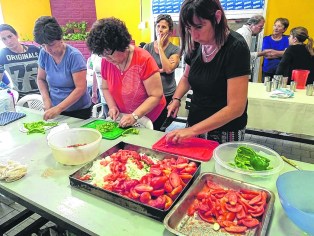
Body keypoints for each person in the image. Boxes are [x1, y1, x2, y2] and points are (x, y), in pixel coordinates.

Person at [166, 0, 250, 144]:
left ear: (217, 18)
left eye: (199, 27)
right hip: (195, 121)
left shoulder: (236, 47)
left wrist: (191, 131)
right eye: (189, 28)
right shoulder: (196, 45)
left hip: (225, 130)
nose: (194, 36)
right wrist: (176, 98)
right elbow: (186, 77)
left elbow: (236, 107)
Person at [86, 17, 166, 130]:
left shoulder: (144, 59)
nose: (107, 59)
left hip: (151, 115)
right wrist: (112, 106)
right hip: (125, 116)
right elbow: (105, 88)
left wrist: (135, 115)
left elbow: (156, 95)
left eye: (109, 53)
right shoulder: (106, 61)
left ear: (121, 45)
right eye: (103, 55)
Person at [33, 16, 92, 120]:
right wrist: (47, 101)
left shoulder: (74, 56)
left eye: (51, 44)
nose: (47, 49)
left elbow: (80, 88)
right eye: (43, 45)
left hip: (79, 111)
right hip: (55, 108)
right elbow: (41, 79)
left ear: (61, 39)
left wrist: (59, 108)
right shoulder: (44, 53)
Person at [144, 14, 180, 130]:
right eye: (158, 26)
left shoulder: (175, 49)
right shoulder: (147, 48)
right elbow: (143, 70)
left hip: (167, 94)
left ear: (170, 31)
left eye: (164, 27)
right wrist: (160, 70)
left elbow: (169, 69)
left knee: (161, 127)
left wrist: (160, 47)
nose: (160, 30)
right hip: (150, 94)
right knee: (148, 125)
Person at [0, 24, 40, 98]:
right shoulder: (2, 55)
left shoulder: (35, 50)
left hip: (41, 94)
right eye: (4, 39)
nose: (8, 41)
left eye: (10, 36)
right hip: (20, 97)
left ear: (16, 35)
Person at [236, 15, 268, 81]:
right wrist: (261, 53)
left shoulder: (244, 31)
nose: (261, 30)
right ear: (252, 24)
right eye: (260, 27)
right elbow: (244, 56)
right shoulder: (245, 33)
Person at [261, 18, 290, 82]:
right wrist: (283, 53)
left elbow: (288, 54)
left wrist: (272, 52)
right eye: (275, 25)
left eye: (279, 26)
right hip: (267, 71)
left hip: (282, 71)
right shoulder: (266, 39)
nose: (276, 28)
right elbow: (267, 55)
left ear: (284, 29)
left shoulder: (287, 39)